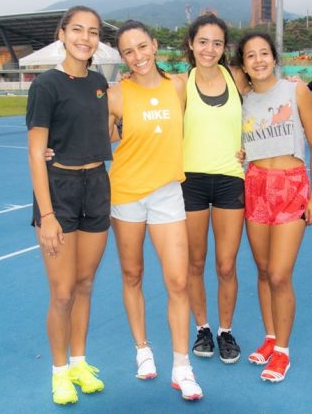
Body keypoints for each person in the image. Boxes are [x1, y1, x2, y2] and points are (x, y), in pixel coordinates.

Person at [106, 20, 203, 401]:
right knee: (133, 274)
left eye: (142, 47)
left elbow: (225, 83)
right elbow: (97, 137)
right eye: (129, 51)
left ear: (155, 45)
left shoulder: (177, 86)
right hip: (126, 193)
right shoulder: (115, 95)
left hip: (167, 194)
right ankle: (143, 350)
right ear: (122, 57)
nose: (138, 56)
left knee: (178, 281)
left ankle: (182, 366)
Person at [26, 6, 112, 406]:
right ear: (61, 34)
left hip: (97, 185)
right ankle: (59, 371)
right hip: (59, 190)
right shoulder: (46, 85)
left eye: (92, 31)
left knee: (85, 284)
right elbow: (34, 152)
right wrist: (46, 215)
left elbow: (107, 132)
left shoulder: (99, 82)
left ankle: (79, 361)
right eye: (77, 29)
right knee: (62, 292)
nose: (85, 37)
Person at [233, 31, 312, 382]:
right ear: (243, 64)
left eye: (264, 53)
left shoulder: (295, 90)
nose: (258, 60)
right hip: (254, 186)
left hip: (291, 186)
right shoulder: (241, 100)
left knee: (279, 274)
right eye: (250, 55)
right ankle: (270, 337)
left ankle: (283, 352)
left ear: (274, 57)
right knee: (261, 269)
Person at [174, 13, 246, 365]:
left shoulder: (238, 78)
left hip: (232, 179)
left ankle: (225, 330)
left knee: (226, 265)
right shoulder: (179, 84)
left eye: (217, 43)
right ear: (191, 44)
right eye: (203, 41)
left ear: (224, 47)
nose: (209, 48)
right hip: (192, 183)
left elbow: (267, 100)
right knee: (195, 262)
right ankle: (202, 327)